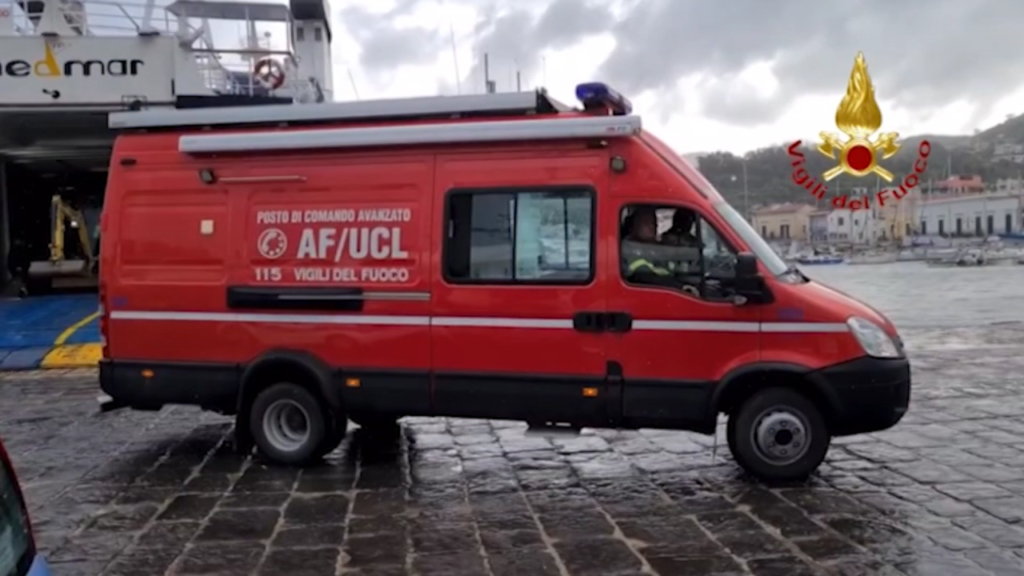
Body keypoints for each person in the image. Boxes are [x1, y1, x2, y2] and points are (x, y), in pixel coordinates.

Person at [622, 207, 673, 281]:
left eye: (654, 222)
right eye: (647, 222)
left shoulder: (657, 246)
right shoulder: (628, 248)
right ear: (635, 225)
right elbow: (644, 276)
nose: (653, 226)